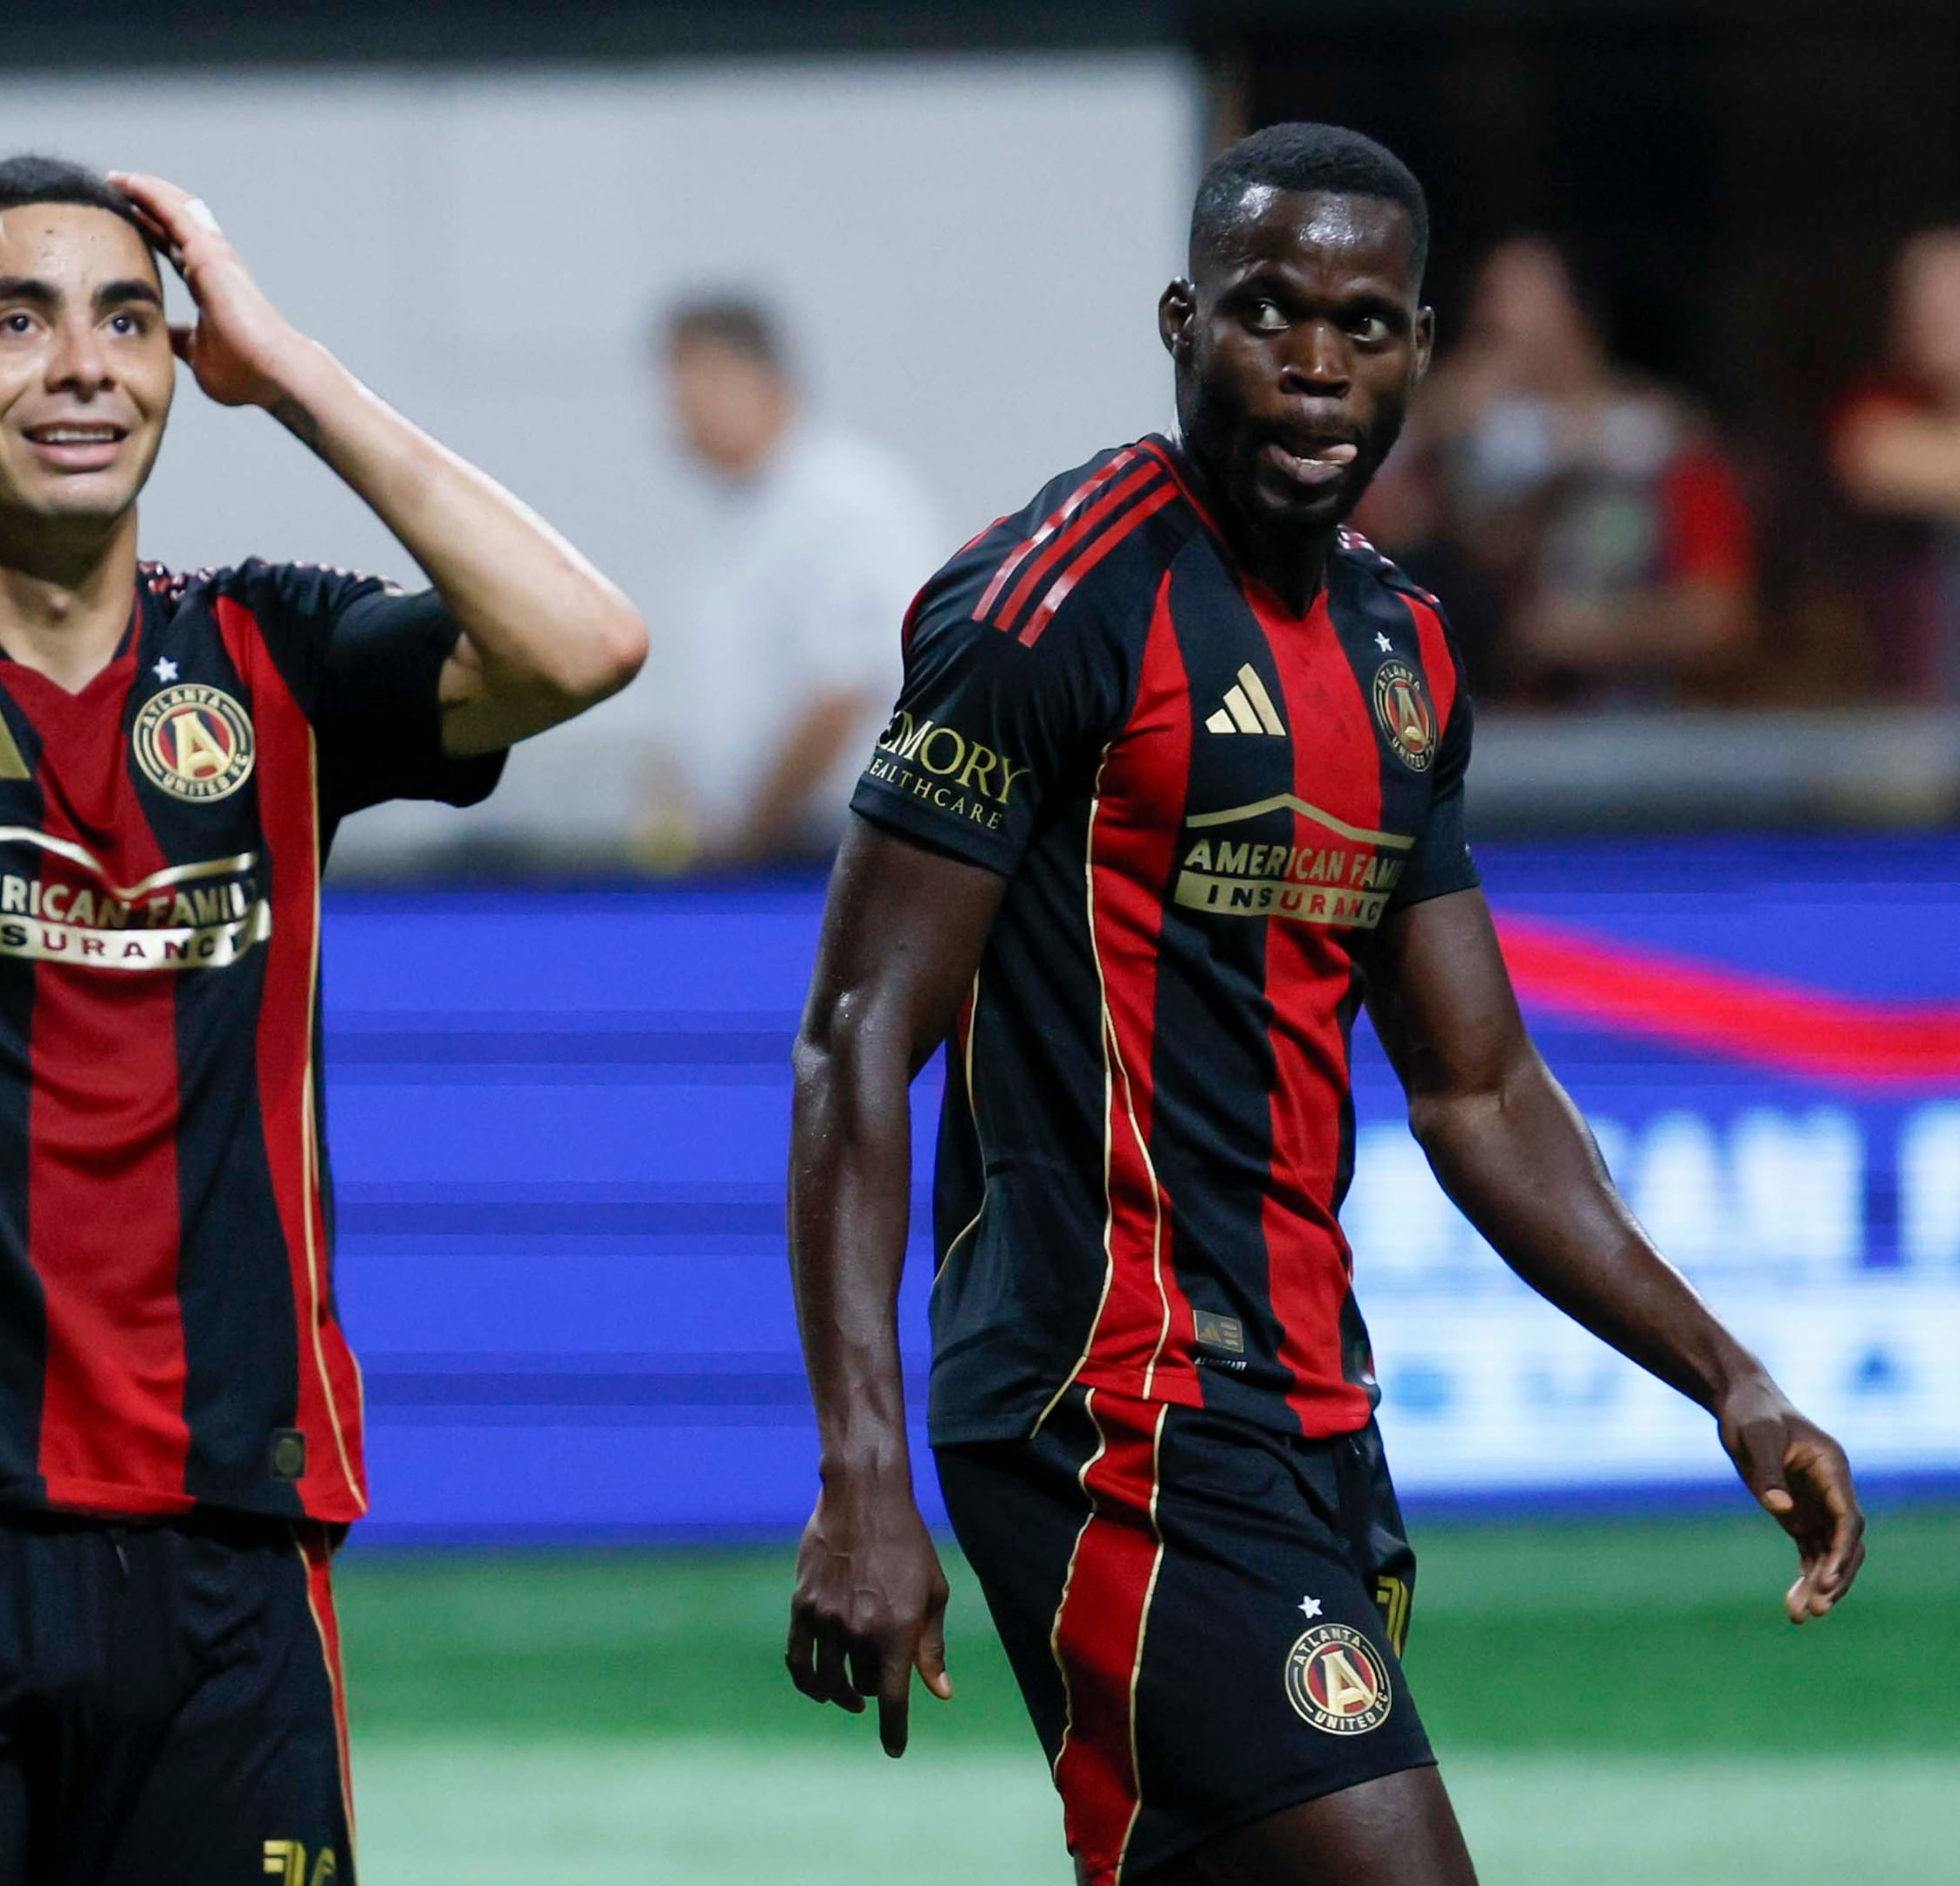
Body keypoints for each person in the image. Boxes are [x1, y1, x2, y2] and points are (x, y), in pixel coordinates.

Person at [782, 124, 1865, 1886]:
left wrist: (1730, 1380)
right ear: (1179, 318)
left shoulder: (1403, 650)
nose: (1312, 364)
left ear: (1422, 350)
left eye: (1363, 325)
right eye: (1267, 311)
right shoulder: (1044, 607)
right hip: (1105, 1404)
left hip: (1310, 1413)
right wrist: (860, 1477)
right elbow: (855, 1040)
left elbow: (1482, 1087)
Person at [0, 145, 643, 1882]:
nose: (86, 363)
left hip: (227, 1550)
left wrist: (290, 371)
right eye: (14, 320)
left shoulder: (273, 661)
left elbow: (584, 640)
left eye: (129, 324)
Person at [1359, 236, 1755, 703]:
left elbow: (1723, 617)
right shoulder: (1458, 448)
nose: (1498, 321)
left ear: (1578, 316)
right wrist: (1431, 420)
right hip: (1496, 738)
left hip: (1649, 738)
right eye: (1488, 302)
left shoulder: (1664, 443)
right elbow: (1369, 547)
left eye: (1523, 301)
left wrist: (1593, 631)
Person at [645, 296, 946, 866]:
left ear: (762, 379)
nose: (681, 411)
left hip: (831, 849)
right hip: (757, 847)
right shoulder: (732, 520)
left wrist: (755, 834)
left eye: (696, 384)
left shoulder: (847, 501)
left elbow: (845, 690)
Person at [1829, 227, 1960, 695]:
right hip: (1926, 706)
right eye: (1915, 294)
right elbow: (1875, 460)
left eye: (1951, 290)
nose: (1929, 311)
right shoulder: (1878, 411)